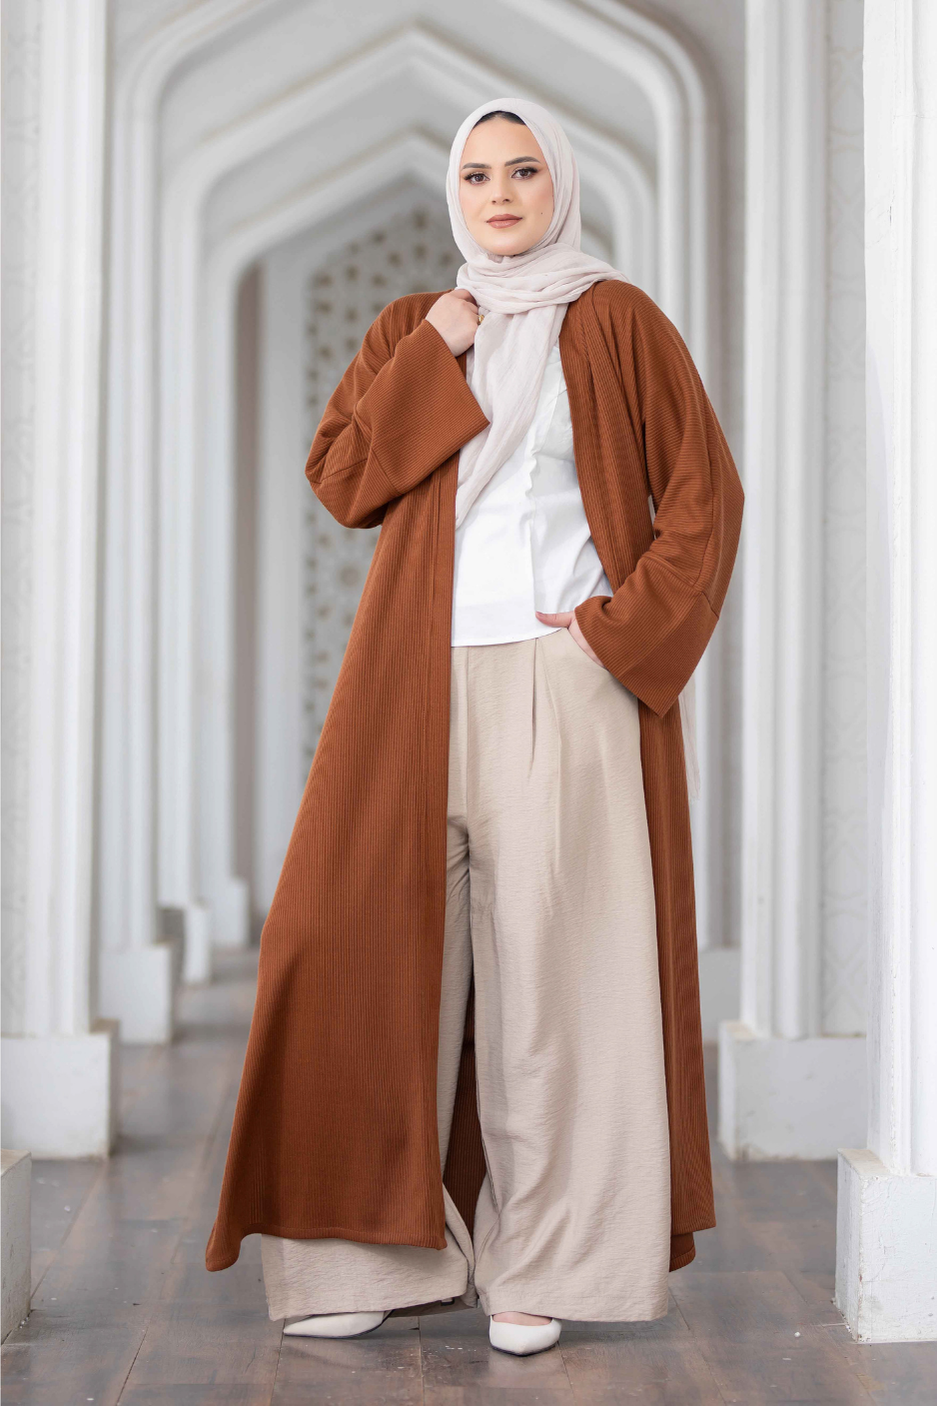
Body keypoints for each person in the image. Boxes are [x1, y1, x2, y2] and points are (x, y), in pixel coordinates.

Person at [205, 97, 744, 1359]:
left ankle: (542, 1261)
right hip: (410, 680)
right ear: (455, 192)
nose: (499, 193)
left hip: (564, 681)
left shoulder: (615, 318)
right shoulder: (413, 325)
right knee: (350, 953)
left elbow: (702, 501)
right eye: (478, 174)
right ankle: (366, 1257)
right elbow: (345, 479)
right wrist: (432, 353)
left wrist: (611, 633)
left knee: (557, 985)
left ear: (561, 183)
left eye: (524, 170)